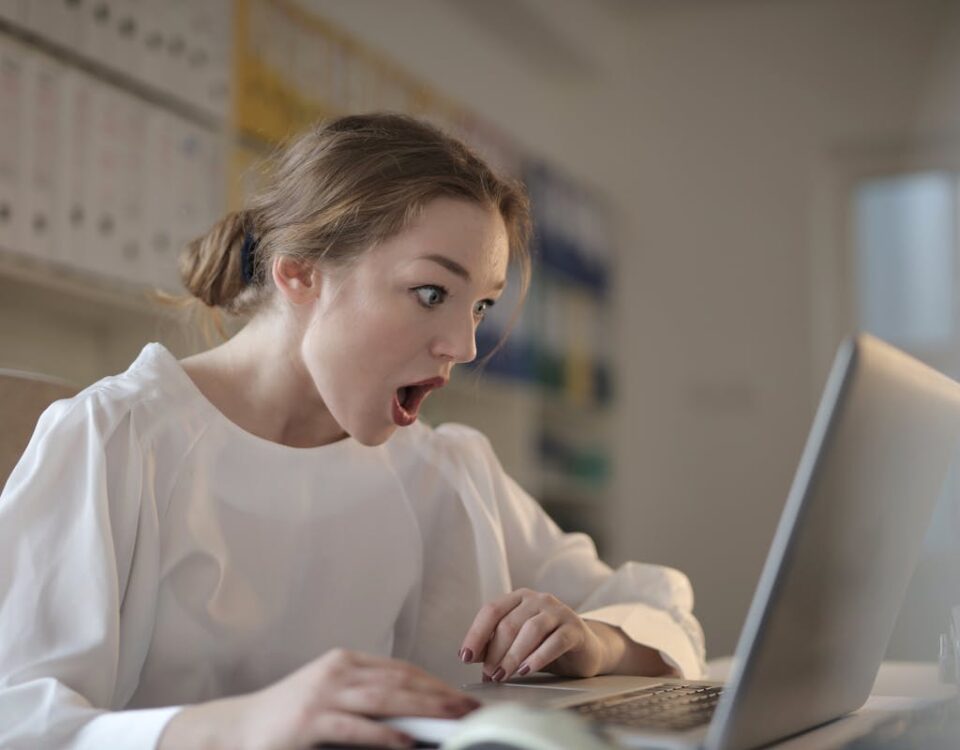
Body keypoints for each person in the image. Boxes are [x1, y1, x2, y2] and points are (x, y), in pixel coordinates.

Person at [0, 113, 705, 750]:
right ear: (300, 274)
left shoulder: (448, 469)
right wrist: (239, 726)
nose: (462, 346)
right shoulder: (116, 439)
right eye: (431, 293)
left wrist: (596, 643)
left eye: (481, 306)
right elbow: (20, 719)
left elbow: (659, 609)